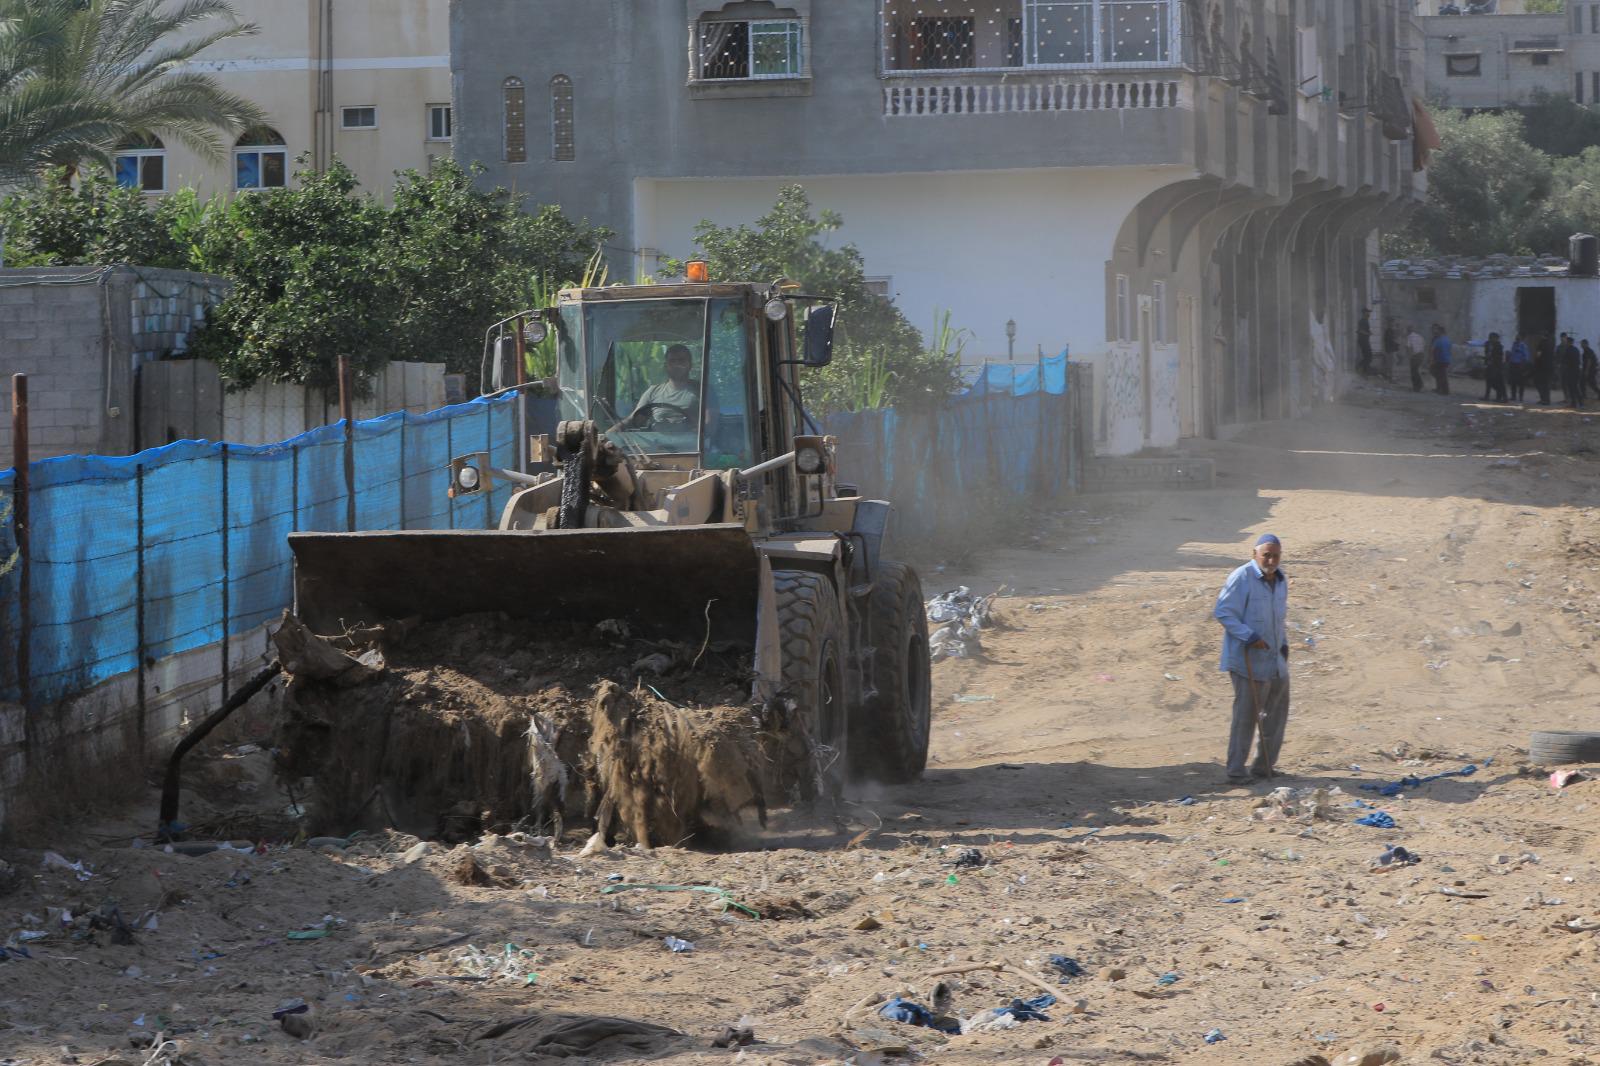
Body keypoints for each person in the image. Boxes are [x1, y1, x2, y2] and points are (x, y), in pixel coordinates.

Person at [1213, 534, 1290, 785]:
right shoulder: (1241, 577)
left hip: (1275, 658)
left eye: (1275, 555)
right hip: (1248, 659)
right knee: (1246, 717)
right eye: (1266, 554)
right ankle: (1236, 772)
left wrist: (1284, 645)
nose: (1271, 560)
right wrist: (1249, 636)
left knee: (1276, 716)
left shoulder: (1280, 580)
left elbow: (1278, 617)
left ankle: (1264, 767)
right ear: (1254, 554)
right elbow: (1224, 612)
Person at [619, 344, 699, 429]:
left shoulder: (702, 391)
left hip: (691, 441)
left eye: (681, 360)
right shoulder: (653, 391)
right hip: (655, 440)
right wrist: (611, 433)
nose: (676, 364)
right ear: (665, 366)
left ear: (690, 365)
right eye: (672, 361)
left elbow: (709, 426)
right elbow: (633, 419)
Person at [1558, 333, 1583, 409]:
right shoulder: (1576, 349)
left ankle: (1573, 403)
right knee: (1576, 387)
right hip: (1577, 370)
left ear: (1568, 342)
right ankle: (1581, 403)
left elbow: (1564, 361)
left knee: (1571, 387)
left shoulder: (1568, 350)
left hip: (1570, 371)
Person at [1481, 331, 1507, 403]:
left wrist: (1491, 358)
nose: (1491, 339)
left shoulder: (1498, 346)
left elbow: (1499, 357)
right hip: (1490, 365)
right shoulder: (1488, 344)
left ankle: (1502, 397)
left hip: (1496, 366)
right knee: (1489, 381)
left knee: (1498, 383)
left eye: (1492, 338)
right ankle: (1488, 396)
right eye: (1490, 338)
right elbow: (1487, 353)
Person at [1508, 334, 1532, 403]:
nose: (1517, 339)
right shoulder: (1514, 344)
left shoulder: (1523, 346)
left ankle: (1521, 397)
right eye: (1516, 338)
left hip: (1520, 365)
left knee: (1521, 382)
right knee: (1513, 381)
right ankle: (1513, 396)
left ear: (1521, 339)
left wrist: (1523, 366)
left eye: (1518, 338)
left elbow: (1526, 357)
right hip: (1513, 364)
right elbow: (1512, 353)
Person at [1429, 324, 1452, 395]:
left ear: (1440, 331)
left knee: (1439, 375)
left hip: (1440, 360)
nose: (1436, 332)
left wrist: (1432, 360)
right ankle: (1443, 389)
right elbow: (1450, 349)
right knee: (1442, 375)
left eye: (1438, 330)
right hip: (1446, 360)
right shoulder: (1447, 339)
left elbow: (1432, 350)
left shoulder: (1438, 340)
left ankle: (1443, 390)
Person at [1533, 334, 1554, 405]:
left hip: (1542, 367)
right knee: (1547, 384)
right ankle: (1547, 400)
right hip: (1550, 367)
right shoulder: (1551, 344)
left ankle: (1543, 399)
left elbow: (1538, 354)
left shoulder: (1541, 343)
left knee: (1538, 383)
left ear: (1542, 336)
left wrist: (1535, 361)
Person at [1357, 308, 1374, 376]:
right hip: (1363, 341)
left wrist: (1369, 332)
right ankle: (1360, 368)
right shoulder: (1362, 321)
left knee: (1368, 356)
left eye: (1369, 313)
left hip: (1365, 341)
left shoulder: (1366, 321)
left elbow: (1365, 330)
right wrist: (1368, 333)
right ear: (1364, 313)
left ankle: (1364, 370)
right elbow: (1360, 330)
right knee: (1368, 356)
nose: (1369, 314)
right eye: (1368, 312)